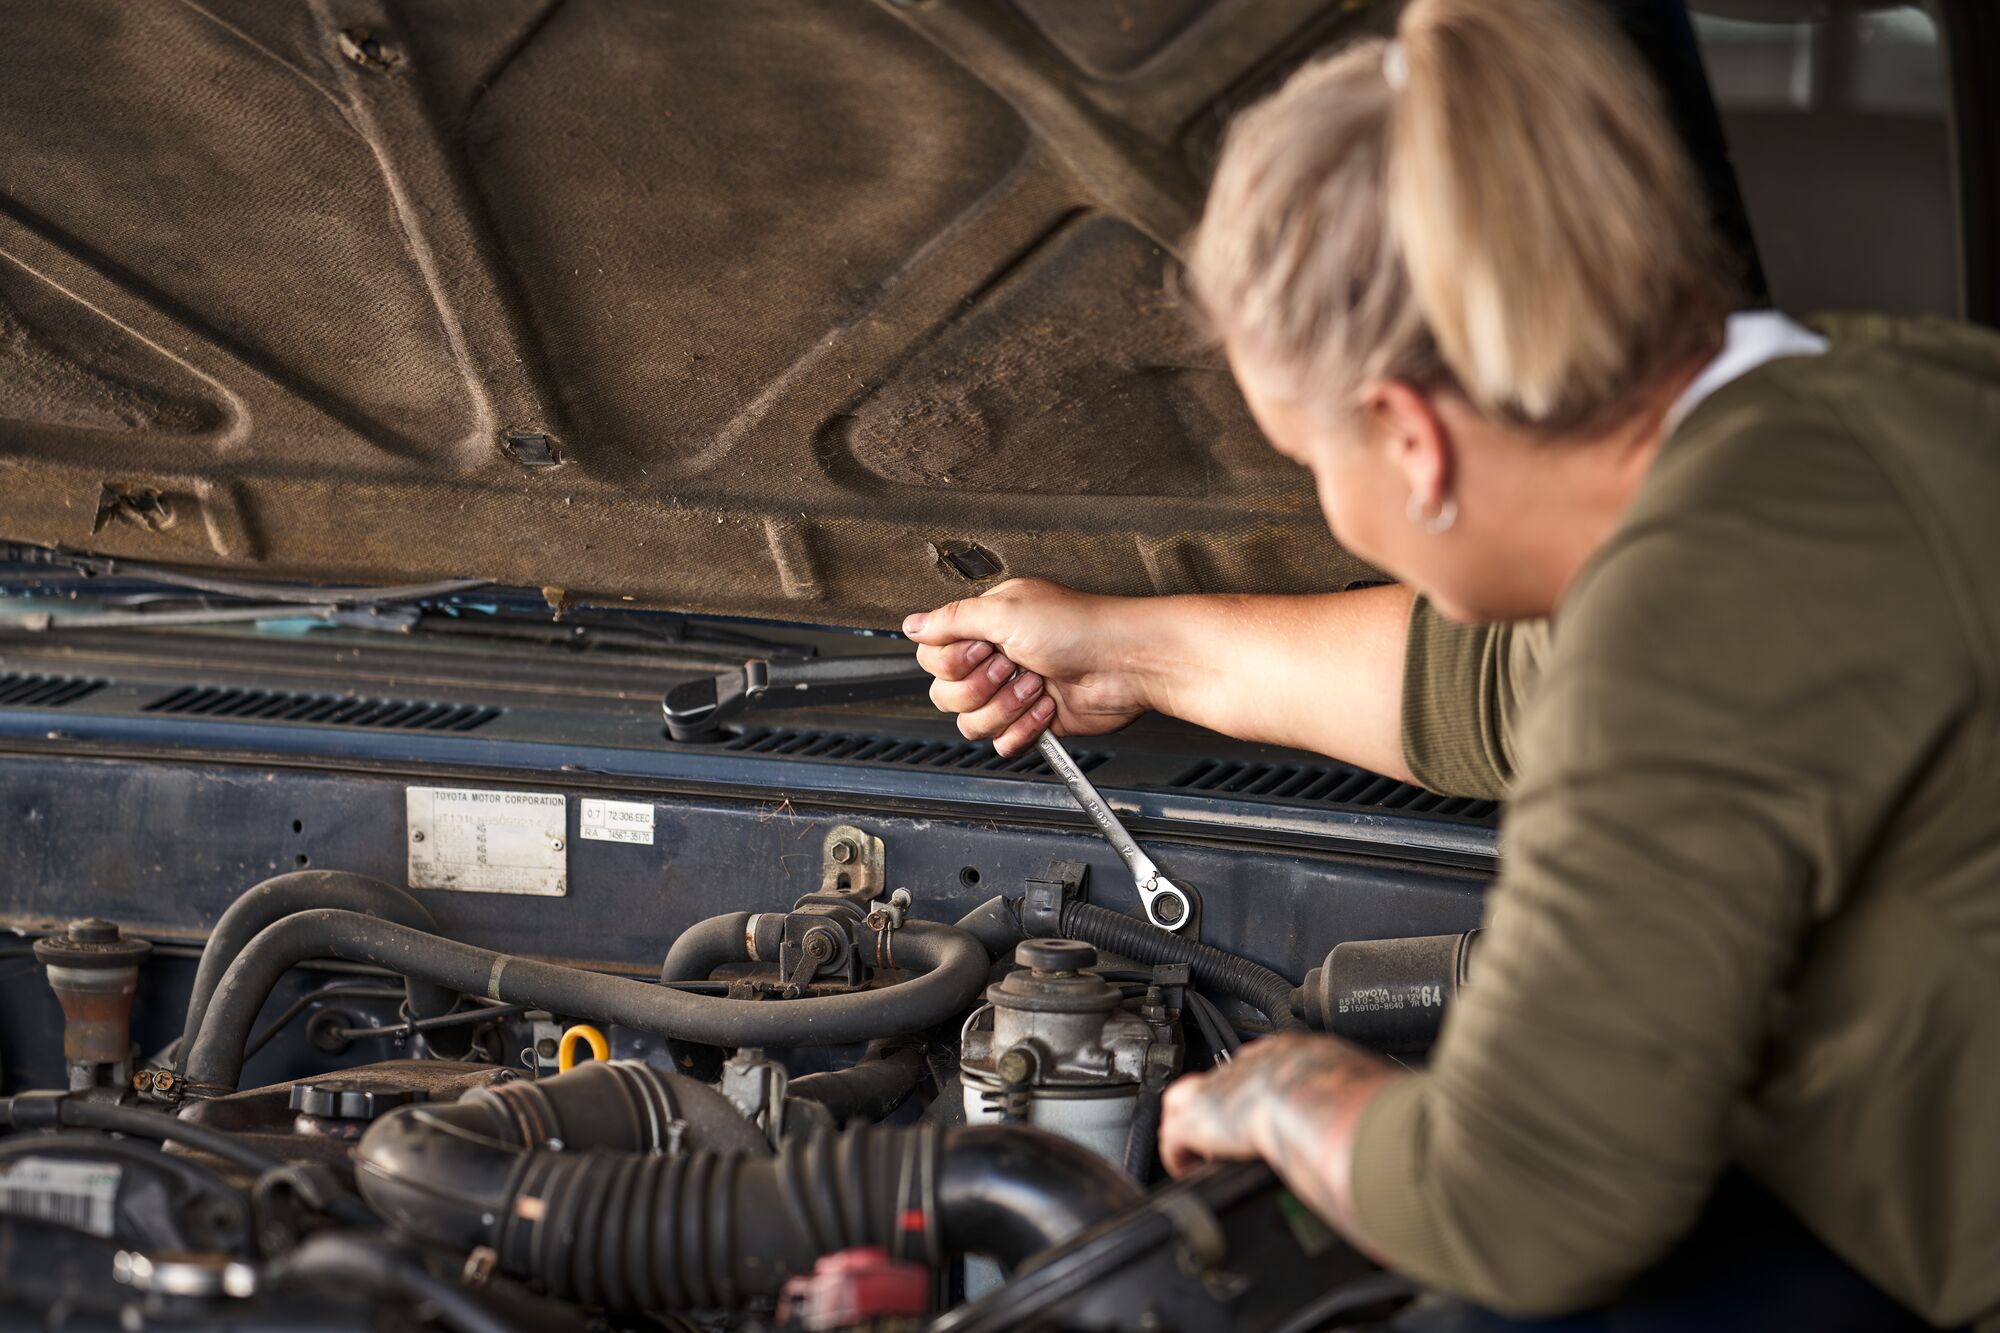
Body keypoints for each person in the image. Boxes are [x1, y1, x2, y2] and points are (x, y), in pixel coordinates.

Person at [902, 0, 2000, 1328]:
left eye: (1313, 462)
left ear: (1410, 438)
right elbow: (1493, 687)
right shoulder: (1893, 399)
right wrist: (1125, 653)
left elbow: (1522, 1204)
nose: (1329, 495)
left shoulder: (1685, 631)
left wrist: (1283, 1088)